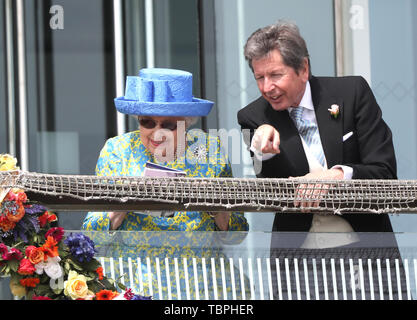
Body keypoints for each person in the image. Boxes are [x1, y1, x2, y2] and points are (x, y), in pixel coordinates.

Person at [237, 21, 403, 299]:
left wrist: (336, 176)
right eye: (259, 77)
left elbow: (384, 172)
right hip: (299, 264)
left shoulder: (352, 93)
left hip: (367, 253)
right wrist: (260, 150)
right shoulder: (253, 117)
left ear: (303, 69)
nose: (267, 87)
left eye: (276, 75)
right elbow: (269, 192)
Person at [83, 68, 249, 299]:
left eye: (168, 125)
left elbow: (237, 234)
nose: (157, 133)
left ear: (186, 123)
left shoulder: (208, 150)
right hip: (134, 283)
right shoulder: (118, 150)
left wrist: (214, 208)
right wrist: (123, 203)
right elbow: (92, 235)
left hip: (202, 286)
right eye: (147, 122)